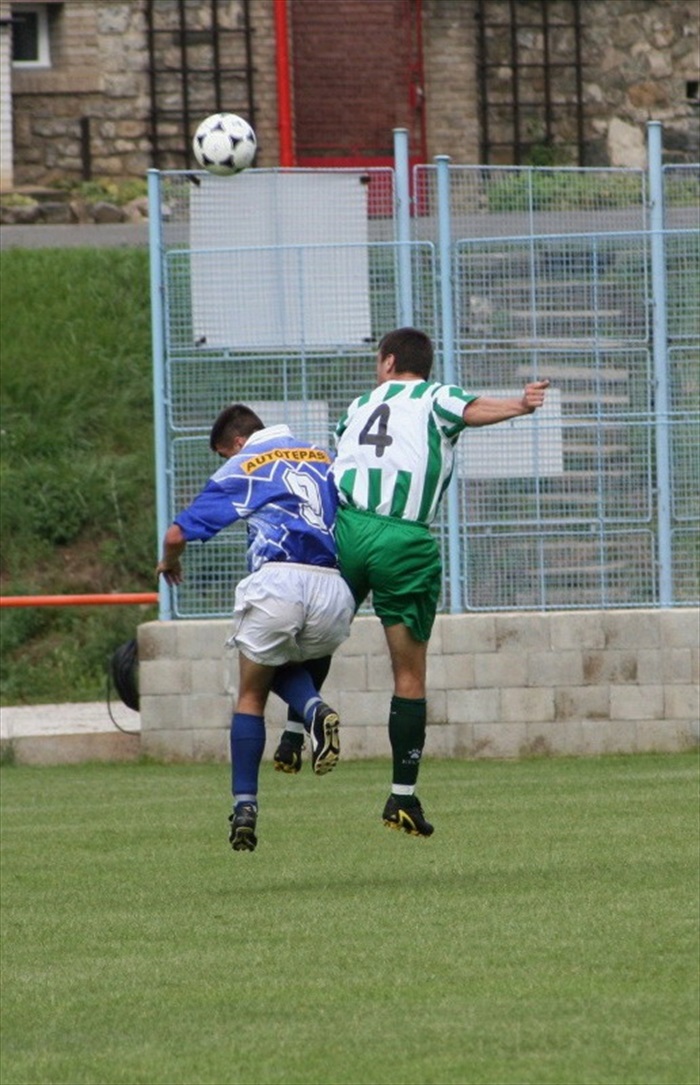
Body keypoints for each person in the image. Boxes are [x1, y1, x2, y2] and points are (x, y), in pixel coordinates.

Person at [332, 327, 549, 837]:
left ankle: (297, 729)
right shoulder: (435, 397)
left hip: (345, 529)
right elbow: (472, 409)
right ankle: (401, 797)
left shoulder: (357, 407)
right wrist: (520, 406)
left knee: (318, 631)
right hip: (403, 541)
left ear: (388, 362)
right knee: (409, 676)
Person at [156, 404, 355, 852]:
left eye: (224, 452)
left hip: (279, 582)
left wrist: (169, 563)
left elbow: (175, 535)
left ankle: (245, 806)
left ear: (237, 442)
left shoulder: (246, 462)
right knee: (282, 663)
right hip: (334, 589)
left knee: (251, 691)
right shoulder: (323, 455)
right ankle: (311, 710)